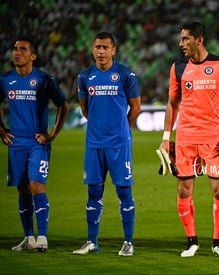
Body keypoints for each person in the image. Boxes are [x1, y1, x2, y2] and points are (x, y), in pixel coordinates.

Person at [159, 22, 219, 258]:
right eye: (181, 39)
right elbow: (172, 104)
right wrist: (166, 138)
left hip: (214, 140)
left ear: (199, 40)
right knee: (184, 191)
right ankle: (191, 241)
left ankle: (218, 242)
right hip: (185, 139)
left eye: (185, 39)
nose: (180, 44)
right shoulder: (178, 68)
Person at [72, 32, 141, 257]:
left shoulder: (125, 75)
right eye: (97, 47)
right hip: (94, 144)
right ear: (92, 50)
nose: (101, 51)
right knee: (93, 192)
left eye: (105, 47)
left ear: (113, 50)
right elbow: (85, 109)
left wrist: (122, 130)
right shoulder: (84, 77)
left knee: (124, 192)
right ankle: (92, 242)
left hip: (119, 144)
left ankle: (128, 242)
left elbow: (136, 108)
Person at [0, 37, 68, 252]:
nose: (17, 53)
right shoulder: (6, 79)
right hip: (16, 143)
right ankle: (28, 237)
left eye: (23, 49)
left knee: (36, 186)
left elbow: (63, 106)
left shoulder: (44, 79)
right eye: (15, 49)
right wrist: (2, 131)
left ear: (33, 56)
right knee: (22, 190)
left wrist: (52, 135)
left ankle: (43, 237)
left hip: (37, 143)